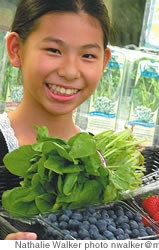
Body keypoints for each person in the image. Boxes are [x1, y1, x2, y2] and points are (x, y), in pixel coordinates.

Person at [0, 0, 111, 240]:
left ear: (104, 62)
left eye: (88, 55)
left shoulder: (102, 159)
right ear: (16, 49)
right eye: (54, 50)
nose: (70, 71)